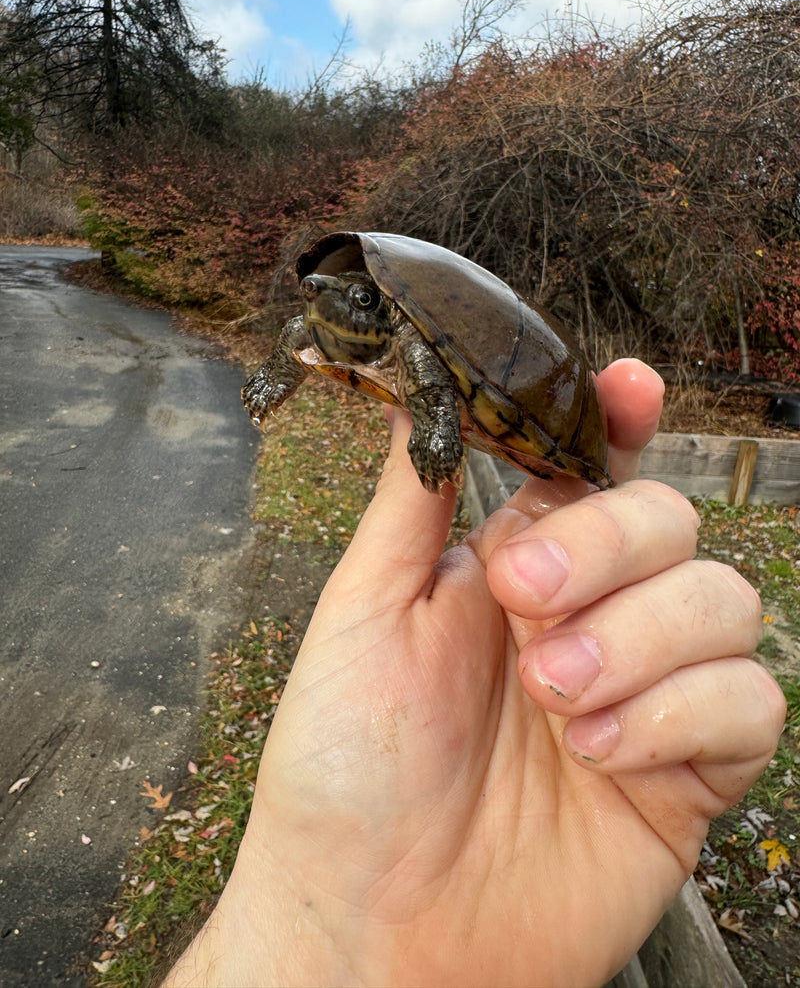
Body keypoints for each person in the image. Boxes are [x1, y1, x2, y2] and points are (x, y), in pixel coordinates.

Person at [163, 359, 785, 988]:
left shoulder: (421, 353)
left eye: (358, 301)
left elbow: (432, 372)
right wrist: (330, 929)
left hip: (513, 390)